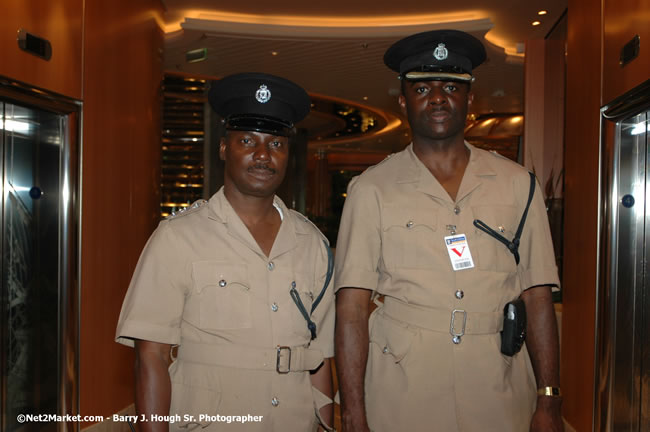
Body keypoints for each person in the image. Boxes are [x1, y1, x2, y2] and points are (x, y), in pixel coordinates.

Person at [334, 30, 563, 432]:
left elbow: (537, 294)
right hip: (402, 390)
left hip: (498, 388)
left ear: (470, 98)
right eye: (422, 87)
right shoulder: (370, 189)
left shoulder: (517, 184)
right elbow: (352, 307)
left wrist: (548, 399)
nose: (437, 97)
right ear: (403, 101)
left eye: (451, 86)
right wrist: (353, 412)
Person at [116, 72, 335, 432]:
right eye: (248, 140)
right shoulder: (177, 238)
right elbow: (150, 357)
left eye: (276, 144)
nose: (263, 155)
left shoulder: (311, 243)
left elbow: (321, 357)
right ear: (223, 148)